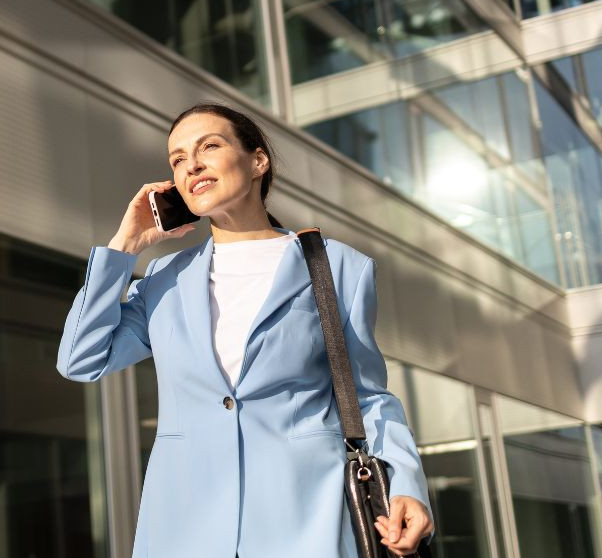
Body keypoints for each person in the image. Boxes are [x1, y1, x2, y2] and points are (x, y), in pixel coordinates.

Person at [56, 103, 435, 557]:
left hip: (307, 519)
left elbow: (368, 394)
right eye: (177, 159)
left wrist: (406, 482)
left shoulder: (337, 267)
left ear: (258, 161)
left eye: (208, 146)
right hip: (184, 528)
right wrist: (125, 247)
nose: (190, 164)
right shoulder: (164, 280)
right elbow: (81, 359)